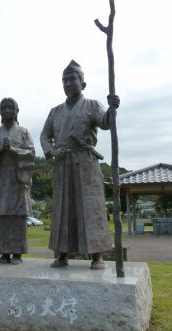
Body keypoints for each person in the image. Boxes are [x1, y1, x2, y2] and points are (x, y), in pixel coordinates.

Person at [40, 60, 120, 270]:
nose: (67, 83)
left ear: (82, 83)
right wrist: (52, 151)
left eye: (72, 79)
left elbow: (105, 123)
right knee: (63, 208)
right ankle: (62, 254)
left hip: (85, 162)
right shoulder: (55, 111)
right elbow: (45, 136)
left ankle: (97, 255)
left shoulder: (92, 105)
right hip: (63, 163)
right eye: (64, 80)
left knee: (91, 207)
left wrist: (112, 109)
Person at [0, 98, 35, 265]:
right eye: (3, 107)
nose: (6, 110)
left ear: (16, 110)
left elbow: (31, 152)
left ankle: (18, 253)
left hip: (17, 179)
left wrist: (13, 150)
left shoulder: (24, 132)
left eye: (10, 107)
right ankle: (4, 252)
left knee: (18, 214)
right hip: (1, 178)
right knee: (1, 214)